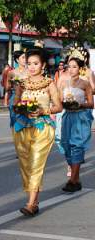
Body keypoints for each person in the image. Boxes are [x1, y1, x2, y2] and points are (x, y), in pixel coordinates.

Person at [13, 45, 62, 217]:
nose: (32, 67)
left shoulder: (49, 83)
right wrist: (21, 107)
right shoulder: (21, 84)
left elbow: (58, 106)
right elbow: (15, 104)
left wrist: (43, 110)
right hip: (23, 127)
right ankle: (34, 200)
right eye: (29, 64)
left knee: (36, 163)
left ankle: (30, 203)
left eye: (35, 63)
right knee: (26, 164)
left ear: (43, 65)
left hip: (43, 128)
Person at [60, 48, 94, 192]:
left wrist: (80, 105)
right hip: (67, 116)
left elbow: (91, 103)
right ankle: (76, 178)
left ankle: (72, 180)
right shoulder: (63, 82)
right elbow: (58, 100)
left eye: (75, 66)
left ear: (80, 68)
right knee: (66, 146)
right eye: (70, 66)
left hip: (80, 116)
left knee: (77, 146)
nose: (72, 69)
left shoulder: (85, 83)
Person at [5, 50, 29, 129]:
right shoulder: (12, 73)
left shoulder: (30, 72)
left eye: (25, 57)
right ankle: (16, 137)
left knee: (26, 120)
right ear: (17, 60)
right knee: (14, 118)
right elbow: (7, 87)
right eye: (23, 57)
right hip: (14, 97)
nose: (25, 59)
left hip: (26, 97)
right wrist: (12, 83)